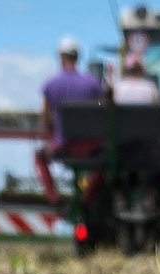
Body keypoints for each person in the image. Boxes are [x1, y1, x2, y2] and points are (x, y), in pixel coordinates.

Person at [34, 36, 106, 204]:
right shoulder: (93, 83)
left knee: (39, 157)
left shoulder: (50, 84)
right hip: (91, 146)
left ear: (60, 57)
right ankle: (87, 198)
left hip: (63, 146)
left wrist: (53, 135)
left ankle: (53, 197)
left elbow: (46, 119)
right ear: (78, 56)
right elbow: (103, 113)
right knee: (106, 163)